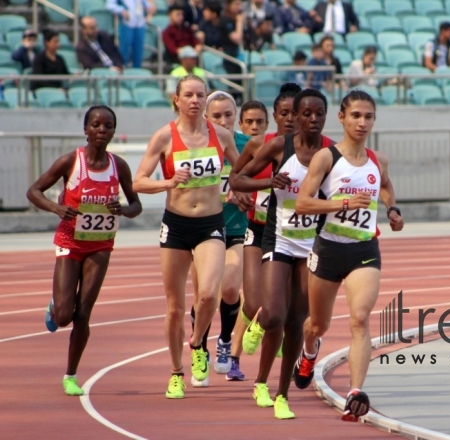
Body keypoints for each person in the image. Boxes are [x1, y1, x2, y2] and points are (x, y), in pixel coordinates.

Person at [293, 90, 404, 422]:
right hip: (328, 249)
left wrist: (392, 208)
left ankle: (355, 392)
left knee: (360, 319)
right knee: (316, 324)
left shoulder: (377, 160)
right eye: (356, 115)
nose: (362, 122)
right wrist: (341, 203)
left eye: (368, 116)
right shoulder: (327, 159)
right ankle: (309, 351)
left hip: (364, 250)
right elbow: (303, 203)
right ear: (342, 117)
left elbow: (385, 185)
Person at [132, 74, 240, 399]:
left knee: (208, 295)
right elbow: (138, 182)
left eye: (200, 95)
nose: (195, 100)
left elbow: (242, 170)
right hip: (176, 225)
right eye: (188, 95)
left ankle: (196, 345)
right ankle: (177, 372)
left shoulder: (221, 135)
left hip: (210, 223)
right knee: (175, 308)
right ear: (176, 100)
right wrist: (168, 182)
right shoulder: (164, 137)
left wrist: (238, 187)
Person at [229, 88, 332, 420]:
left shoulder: (332, 152)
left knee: (295, 322)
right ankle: (259, 359)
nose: (311, 119)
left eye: (319, 114)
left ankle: (280, 393)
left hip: (311, 244)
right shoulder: (278, 146)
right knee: (272, 312)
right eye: (306, 114)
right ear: (296, 116)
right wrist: (268, 183)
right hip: (278, 238)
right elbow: (237, 179)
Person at [26, 105, 142, 396]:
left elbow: (136, 205)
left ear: (114, 131)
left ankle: (71, 375)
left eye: (108, 126)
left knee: (84, 313)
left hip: (101, 245)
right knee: (65, 315)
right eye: (96, 125)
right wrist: (56, 207)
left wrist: (124, 210)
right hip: (70, 242)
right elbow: (33, 191)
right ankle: (55, 306)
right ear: (86, 130)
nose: (102, 130)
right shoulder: (70, 161)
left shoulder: (120, 166)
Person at [188, 94, 268, 386]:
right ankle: (200, 347)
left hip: (235, 229)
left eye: (228, 115)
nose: (223, 121)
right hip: (202, 229)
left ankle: (224, 340)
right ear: (206, 116)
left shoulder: (247, 146)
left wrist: (243, 192)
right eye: (217, 116)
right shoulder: (196, 145)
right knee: (204, 295)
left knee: (231, 287)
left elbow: (258, 182)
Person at [106, 0, 156, 68]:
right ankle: (123, 71)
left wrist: (149, 7)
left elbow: (145, 4)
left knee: (138, 54)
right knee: (124, 52)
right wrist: (121, 10)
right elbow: (109, 5)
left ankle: (137, 72)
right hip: (126, 25)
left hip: (140, 25)